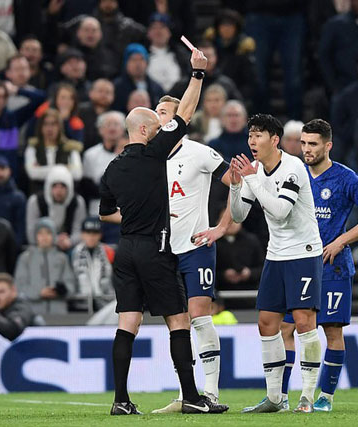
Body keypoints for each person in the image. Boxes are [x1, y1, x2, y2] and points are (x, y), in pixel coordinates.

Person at [98, 49, 228, 415]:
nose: (160, 129)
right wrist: (197, 75)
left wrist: (134, 218)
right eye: (155, 126)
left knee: (127, 324)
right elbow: (185, 114)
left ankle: (121, 401)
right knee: (178, 320)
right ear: (144, 131)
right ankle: (191, 397)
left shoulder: (111, 170)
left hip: (125, 250)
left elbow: (107, 214)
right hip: (155, 248)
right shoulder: (155, 154)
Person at [279, 119, 358, 411]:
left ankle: (325, 397)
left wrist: (342, 241)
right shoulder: (293, 173)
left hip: (333, 267)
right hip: (298, 263)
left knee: (332, 331)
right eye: (302, 143)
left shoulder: (346, 177)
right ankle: (282, 397)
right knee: (286, 330)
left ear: (328, 146)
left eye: (312, 144)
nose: (306, 150)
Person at [229, 114, 323, 413]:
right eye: (250, 135)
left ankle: (307, 396)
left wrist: (252, 180)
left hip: (303, 253)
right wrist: (235, 186)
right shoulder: (253, 171)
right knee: (267, 323)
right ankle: (275, 397)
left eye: (258, 135)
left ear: (274, 139)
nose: (252, 141)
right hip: (276, 254)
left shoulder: (294, 167)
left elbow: (281, 210)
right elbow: (238, 216)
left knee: (304, 320)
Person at [151, 94, 233, 412]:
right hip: (163, 250)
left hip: (197, 248)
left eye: (162, 111)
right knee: (177, 325)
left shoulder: (200, 153)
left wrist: (222, 226)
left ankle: (210, 393)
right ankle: (187, 394)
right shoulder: (150, 158)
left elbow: (237, 183)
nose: (156, 116)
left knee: (200, 316)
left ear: (177, 119)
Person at [15, 217, 76, 315]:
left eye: (48, 233)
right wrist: (39, 292)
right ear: (35, 236)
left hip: (59, 314)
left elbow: (71, 286)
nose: (44, 237)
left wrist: (62, 291)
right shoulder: (25, 258)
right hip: (32, 314)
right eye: (40, 233)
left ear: (53, 235)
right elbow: (19, 287)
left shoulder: (62, 258)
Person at [26, 165, 86, 250]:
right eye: (55, 186)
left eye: (63, 186)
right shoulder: (35, 201)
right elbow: (31, 234)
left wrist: (70, 241)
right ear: (48, 187)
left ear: (69, 187)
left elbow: (80, 232)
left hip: (69, 248)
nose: (59, 190)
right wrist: (55, 240)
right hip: (41, 247)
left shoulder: (77, 202)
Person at [25, 108, 83, 193]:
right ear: (40, 127)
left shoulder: (70, 147)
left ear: (60, 127)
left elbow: (77, 174)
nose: (49, 128)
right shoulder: (33, 148)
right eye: (46, 124)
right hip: (39, 195)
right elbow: (33, 174)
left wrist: (41, 169)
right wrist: (65, 168)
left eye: (53, 124)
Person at [81, 111, 126, 215]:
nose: (112, 128)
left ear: (123, 129)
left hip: (124, 211)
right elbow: (87, 186)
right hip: (97, 211)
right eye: (108, 124)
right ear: (100, 130)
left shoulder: (132, 154)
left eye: (116, 124)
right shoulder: (90, 155)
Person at [71, 217, 115, 311]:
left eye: (95, 233)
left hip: (106, 304)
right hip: (80, 305)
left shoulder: (109, 251)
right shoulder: (74, 253)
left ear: (100, 235)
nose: (91, 237)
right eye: (88, 233)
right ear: (82, 234)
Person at [0, 155, 27, 248]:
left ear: (9, 171)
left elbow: (20, 230)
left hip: (9, 248)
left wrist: (13, 251)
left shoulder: (18, 198)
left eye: (2, 168)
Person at [112, 43, 164, 113]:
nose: (138, 64)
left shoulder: (156, 88)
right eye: (133, 59)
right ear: (126, 63)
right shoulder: (117, 87)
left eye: (141, 59)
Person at [77, 79, 115, 151]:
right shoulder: (79, 111)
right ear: (90, 93)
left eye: (108, 92)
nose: (104, 95)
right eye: (100, 91)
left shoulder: (115, 116)